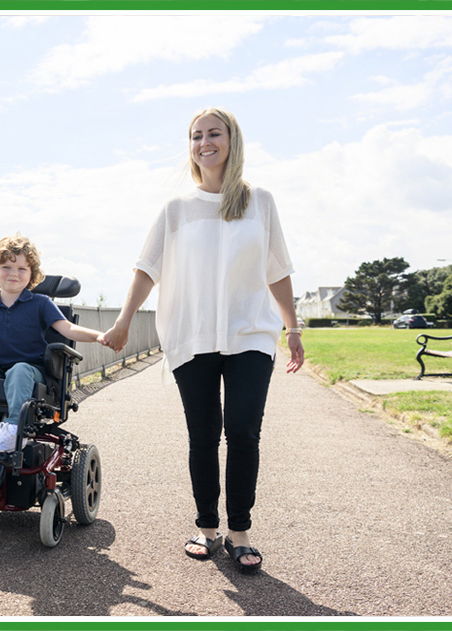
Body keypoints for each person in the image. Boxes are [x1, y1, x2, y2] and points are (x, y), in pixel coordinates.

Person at [99, 107, 304, 574]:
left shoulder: (260, 202)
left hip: (249, 333)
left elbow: (279, 271)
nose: (204, 142)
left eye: (214, 134)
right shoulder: (176, 210)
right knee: (204, 435)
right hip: (192, 336)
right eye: (196, 136)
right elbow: (146, 269)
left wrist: (292, 327)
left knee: (244, 432)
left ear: (232, 140)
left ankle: (240, 532)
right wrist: (124, 321)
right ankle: (208, 528)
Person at [0, 234, 105, 452]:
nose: (13, 274)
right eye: (6, 267)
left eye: (21, 269)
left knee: (19, 370)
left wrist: (99, 336)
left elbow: (68, 329)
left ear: (31, 275)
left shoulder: (40, 303)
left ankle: (12, 429)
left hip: (32, 371)